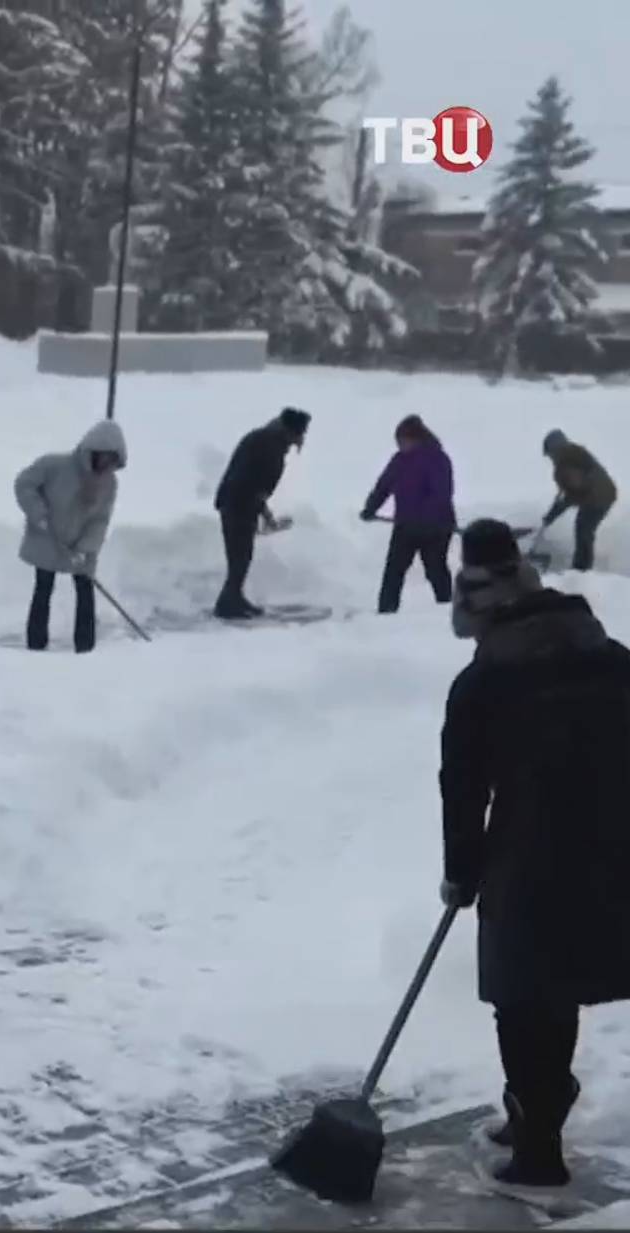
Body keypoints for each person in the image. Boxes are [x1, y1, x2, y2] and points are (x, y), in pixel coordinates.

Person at [439, 519, 630, 1190]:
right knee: (564, 980)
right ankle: (538, 1109)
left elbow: (462, 789)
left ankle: (539, 1148)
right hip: (615, 848)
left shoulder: (484, 681)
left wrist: (461, 872)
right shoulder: (611, 654)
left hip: (533, 855)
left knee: (526, 992)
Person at [14, 420, 127, 653]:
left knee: (85, 591)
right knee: (43, 588)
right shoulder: (54, 465)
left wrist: (84, 548)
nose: (107, 464)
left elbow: (100, 520)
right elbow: (24, 484)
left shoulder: (109, 484)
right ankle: (36, 646)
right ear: (92, 452)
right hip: (48, 538)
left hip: (81, 546)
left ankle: (85, 648)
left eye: (113, 460)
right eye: (104, 456)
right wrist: (38, 514)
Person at [213, 407, 310, 619]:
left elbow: (258, 485)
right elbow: (250, 481)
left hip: (238, 503)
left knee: (242, 556)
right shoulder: (268, 445)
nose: (299, 440)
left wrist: (262, 511)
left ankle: (234, 598)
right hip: (237, 503)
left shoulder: (266, 440)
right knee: (240, 557)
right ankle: (227, 605)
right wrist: (262, 512)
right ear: (290, 430)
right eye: (299, 434)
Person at [361, 414, 457, 614]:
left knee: (433, 569)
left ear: (416, 438)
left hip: (434, 527)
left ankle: (447, 607)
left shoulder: (437, 459)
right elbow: (384, 486)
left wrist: (425, 517)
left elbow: (441, 492)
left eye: (402, 441)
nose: (399, 445)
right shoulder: (401, 460)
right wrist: (370, 508)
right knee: (396, 571)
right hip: (408, 525)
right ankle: (387, 611)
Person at [540, 430, 615, 573]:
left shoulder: (568, 463)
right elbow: (569, 492)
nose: (550, 458)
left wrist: (553, 515)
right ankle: (582, 568)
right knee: (583, 529)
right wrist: (553, 513)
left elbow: (573, 492)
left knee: (583, 530)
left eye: (550, 454)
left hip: (598, 497)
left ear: (557, 449)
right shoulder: (571, 458)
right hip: (600, 495)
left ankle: (581, 570)